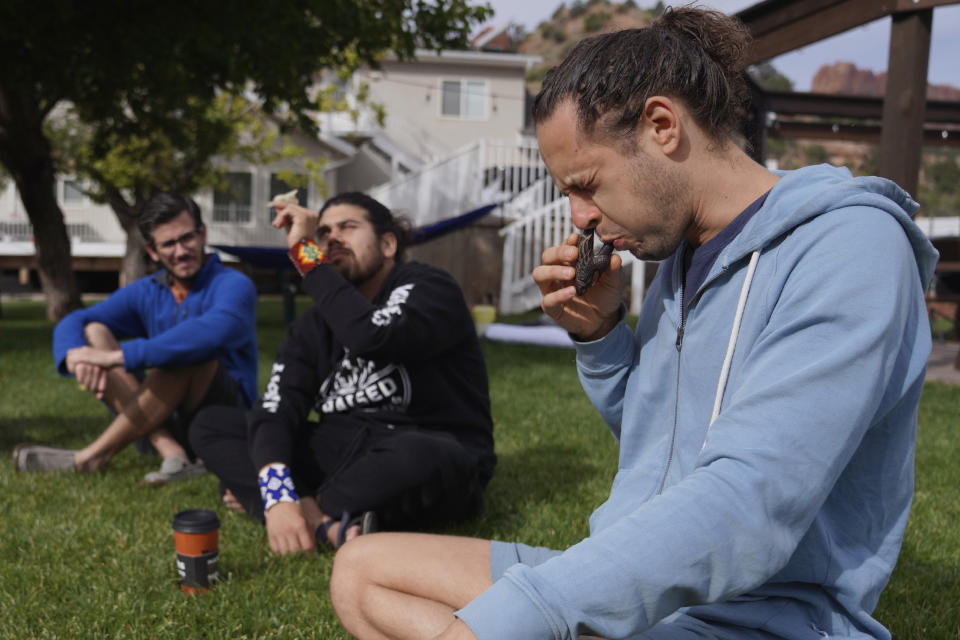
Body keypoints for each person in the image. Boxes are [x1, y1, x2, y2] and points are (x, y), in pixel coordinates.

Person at [327, 8, 939, 640]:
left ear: (662, 126)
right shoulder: (681, 254)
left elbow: (749, 503)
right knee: (361, 571)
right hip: (650, 591)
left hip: (760, 618)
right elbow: (664, 446)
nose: (579, 216)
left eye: (586, 184)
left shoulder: (850, 246)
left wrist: (517, 617)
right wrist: (600, 337)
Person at [189, 191, 495, 553]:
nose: (332, 238)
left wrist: (305, 253)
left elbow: (372, 336)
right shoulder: (312, 327)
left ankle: (311, 516)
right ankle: (320, 521)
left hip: (422, 453)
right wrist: (277, 491)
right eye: (323, 233)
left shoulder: (429, 288)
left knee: (424, 453)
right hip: (345, 452)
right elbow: (276, 408)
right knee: (213, 423)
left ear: (387, 244)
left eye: (348, 227)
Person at [13, 191, 258, 485]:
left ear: (202, 234)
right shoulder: (147, 291)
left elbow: (215, 332)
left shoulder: (234, 284)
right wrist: (74, 356)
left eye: (187, 238)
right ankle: (171, 450)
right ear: (153, 252)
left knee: (187, 351)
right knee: (93, 332)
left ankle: (90, 458)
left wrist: (118, 357)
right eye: (168, 244)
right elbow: (75, 320)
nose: (180, 251)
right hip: (159, 418)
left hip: (223, 422)